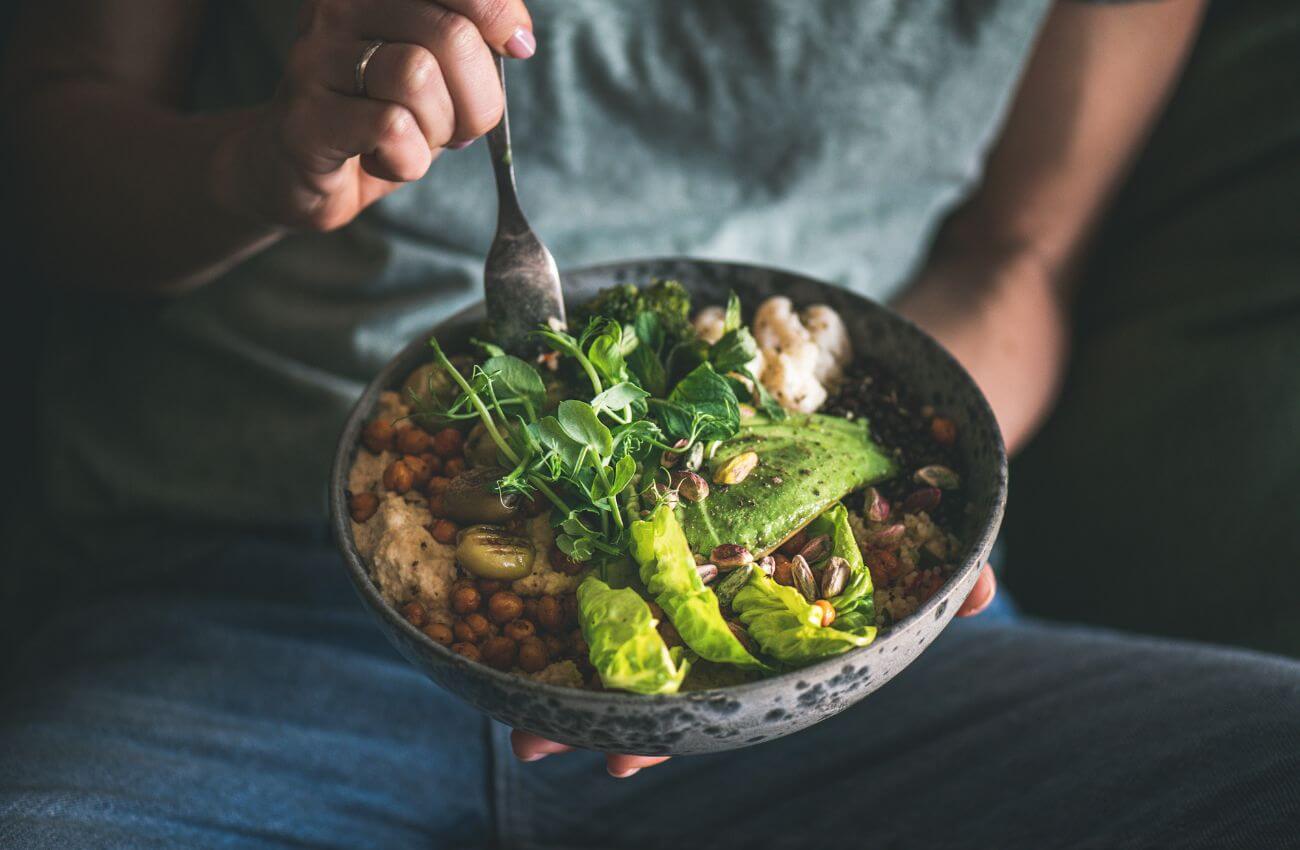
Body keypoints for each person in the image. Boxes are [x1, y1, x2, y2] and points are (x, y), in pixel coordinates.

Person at [2, 1, 1298, 847]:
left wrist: (888, 521)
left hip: (844, 677)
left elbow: (1022, 254)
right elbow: (46, 164)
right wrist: (263, 161)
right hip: (239, 605)